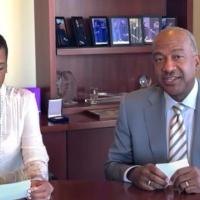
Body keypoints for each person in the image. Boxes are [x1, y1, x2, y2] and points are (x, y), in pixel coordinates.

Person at [104, 27, 200, 194]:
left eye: (177, 57)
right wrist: (133, 173)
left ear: (196, 62)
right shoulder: (132, 105)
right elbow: (112, 167)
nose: (168, 67)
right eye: (159, 59)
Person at [0, 34, 53, 199]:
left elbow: (35, 157)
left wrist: (38, 182)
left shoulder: (23, 100)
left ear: (7, 67)